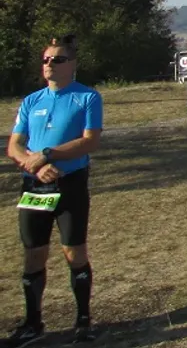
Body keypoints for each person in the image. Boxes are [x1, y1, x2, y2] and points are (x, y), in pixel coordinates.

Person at [6, 37, 103, 345]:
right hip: (35, 185)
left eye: (57, 59)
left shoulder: (87, 98)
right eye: (46, 59)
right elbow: (15, 145)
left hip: (69, 183)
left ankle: (83, 320)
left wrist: (48, 155)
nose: (49, 64)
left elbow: (89, 141)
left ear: (72, 65)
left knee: (74, 252)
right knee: (33, 254)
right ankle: (32, 323)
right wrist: (35, 166)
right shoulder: (32, 101)